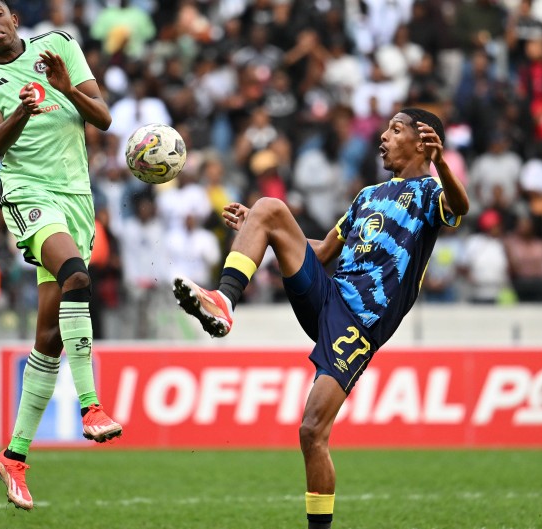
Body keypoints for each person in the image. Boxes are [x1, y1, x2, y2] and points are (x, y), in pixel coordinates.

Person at [173, 108, 469, 529]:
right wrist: (265, 230)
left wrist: (441, 164)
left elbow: (461, 205)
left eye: (395, 129)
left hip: (360, 323)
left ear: (424, 142)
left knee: (312, 431)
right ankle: (224, 299)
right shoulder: (367, 195)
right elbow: (324, 250)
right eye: (385, 128)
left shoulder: (429, 195)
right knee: (270, 208)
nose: (383, 136)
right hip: (329, 295)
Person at [0, 0, 121, 511]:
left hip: (76, 197)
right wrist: (23, 110)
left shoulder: (59, 46)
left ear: (13, 19)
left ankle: (14, 455)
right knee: (76, 275)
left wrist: (63, 86)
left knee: (50, 336)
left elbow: (102, 117)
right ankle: (92, 406)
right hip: (29, 193)